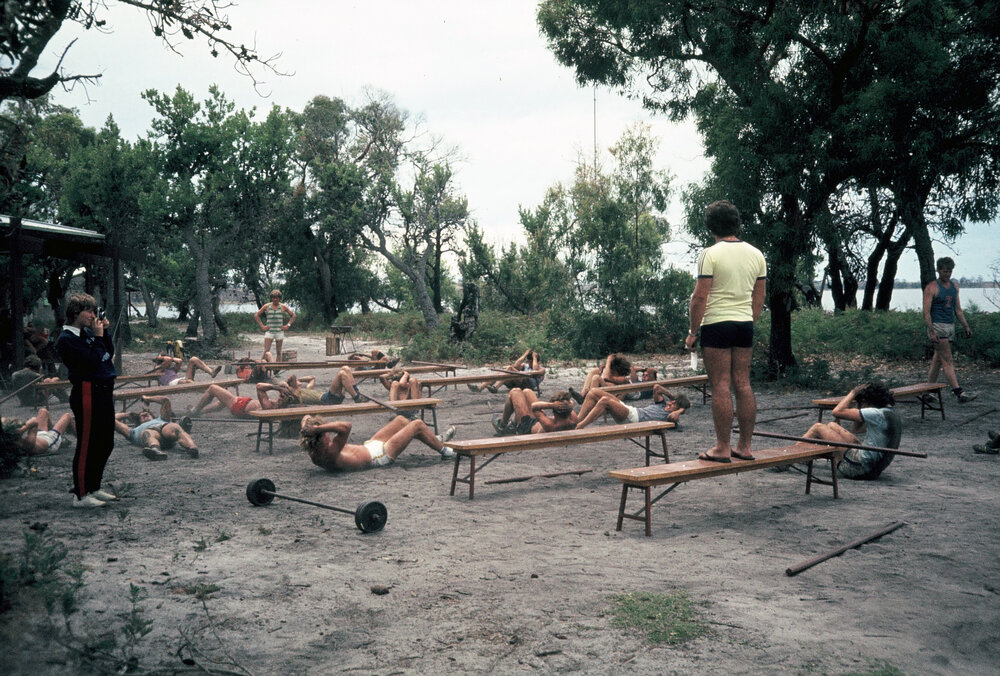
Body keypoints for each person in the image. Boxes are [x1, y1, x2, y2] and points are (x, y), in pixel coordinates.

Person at [684, 200, 766, 463]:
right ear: (736, 223)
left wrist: (692, 331)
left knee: (720, 385)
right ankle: (745, 446)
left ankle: (721, 447)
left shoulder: (710, 254)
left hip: (717, 324)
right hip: (744, 324)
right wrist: (748, 321)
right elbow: (759, 296)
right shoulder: (756, 254)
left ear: (711, 227)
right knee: (742, 383)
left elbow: (699, 297)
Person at [56, 293, 118, 508]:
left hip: (103, 390)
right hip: (87, 391)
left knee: (105, 442)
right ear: (76, 313)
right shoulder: (67, 339)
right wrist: (99, 338)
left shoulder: (89, 333)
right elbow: (90, 362)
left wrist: (105, 333)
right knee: (87, 444)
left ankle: (94, 486)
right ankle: (81, 494)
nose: (93, 316)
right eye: (89, 311)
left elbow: (106, 354)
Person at [799, 382, 899, 479]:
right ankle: (803, 456)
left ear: (867, 401)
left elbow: (836, 412)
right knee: (832, 425)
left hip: (857, 468)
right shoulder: (889, 412)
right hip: (873, 468)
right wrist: (859, 406)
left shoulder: (876, 414)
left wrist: (853, 392)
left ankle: (790, 458)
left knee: (818, 428)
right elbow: (856, 429)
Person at [300, 415, 457, 471]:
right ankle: (445, 452)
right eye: (327, 433)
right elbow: (346, 426)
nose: (330, 435)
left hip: (369, 446)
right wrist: (318, 428)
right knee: (417, 425)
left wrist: (308, 429)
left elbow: (305, 417)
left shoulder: (313, 450)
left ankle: (434, 440)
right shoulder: (330, 452)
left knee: (401, 421)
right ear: (321, 437)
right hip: (380, 456)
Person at [923, 257, 976, 403]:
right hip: (938, 326)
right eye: (945, 271)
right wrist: (932, 331)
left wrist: (966, 326)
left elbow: (958, 309)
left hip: (950, 326)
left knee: (938, 360)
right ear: (938, 270)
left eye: (950, 271)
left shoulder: (955, 287)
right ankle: (959, 392)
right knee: (947, 359)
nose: (948, 274)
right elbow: (926, 312)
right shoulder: (931, 288)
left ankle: (928, 391)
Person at [114, 395, 199, 460]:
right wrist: (127, 414)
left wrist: (147, 398)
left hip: (165, 431)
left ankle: (192, 448)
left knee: (174, 427)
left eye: (147, 414)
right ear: (138, 421)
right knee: (148, 433)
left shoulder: (161, 419)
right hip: (151, 435)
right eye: (141, 416)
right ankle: (156, 451)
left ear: (152, 415)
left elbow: (165, 401)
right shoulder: (133, 431)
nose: (144, 415)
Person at [574, 384, 689, 429]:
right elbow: (657, 387)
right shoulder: (661, 404)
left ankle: (580, 426)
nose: (671, 404)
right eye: (672, 402)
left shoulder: (671, 416)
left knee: (605, 401)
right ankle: (577, 421)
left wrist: (681, 409)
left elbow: (673, 417)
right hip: (629, 410)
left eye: (674, 405)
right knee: (594, 391)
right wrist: (672, 396)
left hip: (632, 419)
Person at [494, 388, 578, 435]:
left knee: (515, 391)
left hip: (526, 426)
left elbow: (534, 406)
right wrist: (563, 404)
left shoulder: (550, 425)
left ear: (554, 411)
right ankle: (513, 423)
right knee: (527, 391)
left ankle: (502, 425)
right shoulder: (573, 419)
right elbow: (571, 403)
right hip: (538, 421)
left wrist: (552, 405)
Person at [2, 407, 74, 455]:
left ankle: (59, 437)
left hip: (39, 436)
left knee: (43, 411)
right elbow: (34, 421)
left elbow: (2, 419)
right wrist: (21, 430)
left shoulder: (8, 438)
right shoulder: (27, 444)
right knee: (67, 416)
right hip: (50, 441)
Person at [468, 348, 544, 393]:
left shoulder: (542, 369)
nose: (529, 362)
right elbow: (516, 365)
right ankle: (480, 388)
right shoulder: (526, 365)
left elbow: (535, 370)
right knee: (499, 373)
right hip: (518, 382)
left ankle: (496, 388)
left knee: (509, 368)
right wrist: (525, 354)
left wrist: (534, 357)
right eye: (528, 361)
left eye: (531, 361)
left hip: (527, 385)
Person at [254, 289, 295, 362]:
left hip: (279, 332)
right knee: (266, 350)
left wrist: (287, 325)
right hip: (269, 332)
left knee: (279, 352)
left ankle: (277, 369)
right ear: (271, 298)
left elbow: (293, 315)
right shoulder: (267, 306)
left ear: (279, 298)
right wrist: (262, 326)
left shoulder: (283, 306)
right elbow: (256, 315)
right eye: (273, 298)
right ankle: (261, 366)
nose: (275, 299)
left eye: (277, 298)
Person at [151, 353, 222, 386]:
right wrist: (160, 357)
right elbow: (168, 360)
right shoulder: (158, 368)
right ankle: (207, 387)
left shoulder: (172, 369)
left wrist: (170, 358)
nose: (171, 363)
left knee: (193, 359)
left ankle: (211, 372)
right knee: (188, 382)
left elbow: (179, 361)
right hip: (171, 383)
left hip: (180, 380)